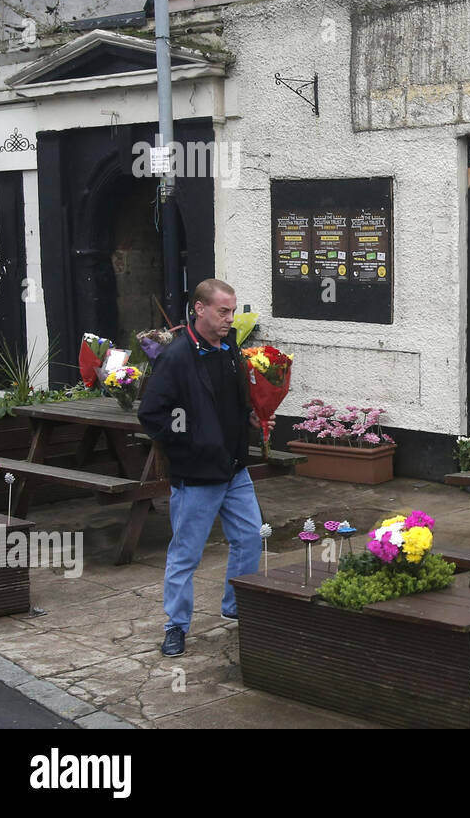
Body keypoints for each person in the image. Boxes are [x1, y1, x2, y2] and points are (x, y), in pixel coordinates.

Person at [138, 279, 273, 657]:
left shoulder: (229, 349)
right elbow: (151, 413)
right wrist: (190, 437)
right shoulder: (177, 356)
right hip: (197, 475)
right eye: (222, 311)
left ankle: (235, 606)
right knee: (187, 555)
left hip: (234, 469)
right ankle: (176, 627)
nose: (229, 319)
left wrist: (252, 417)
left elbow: (234, 402)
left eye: (232, 311)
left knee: (249, 538)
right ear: (199, 309)